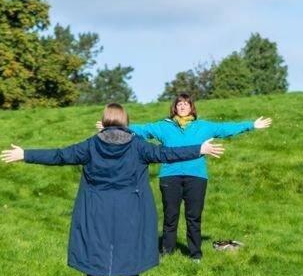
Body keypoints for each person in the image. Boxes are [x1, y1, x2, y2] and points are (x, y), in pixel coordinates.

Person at [3, 103, 225, 276]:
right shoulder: (138, 145)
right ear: (125, 121)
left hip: (96, 212)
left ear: (105, 120)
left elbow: (60, 155)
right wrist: (199, 149)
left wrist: (26, 154)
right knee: (131, 261)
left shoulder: (91, 145)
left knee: (94, 260)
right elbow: (167, 155)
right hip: (131, 212)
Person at [98, 93, 271, 261]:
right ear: (174, 107)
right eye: (179, 103)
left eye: (186, 103)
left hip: (196, 177)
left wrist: (252, 125)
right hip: (170, 176)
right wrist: (112, 128)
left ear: (191, 108)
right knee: (170, 217)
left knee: (193, 217)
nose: (182, 106)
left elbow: (226, 128)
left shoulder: (204, 126)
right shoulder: (164, 126)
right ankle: (167, 253)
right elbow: (141, 130)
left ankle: (195, 254)